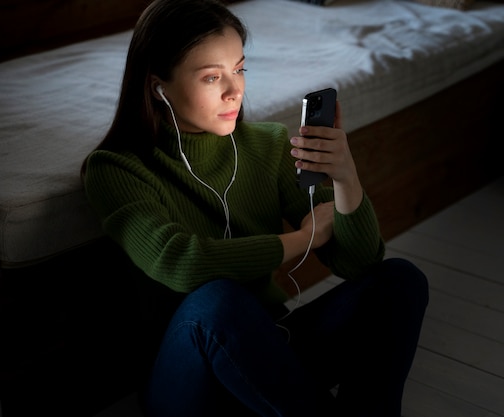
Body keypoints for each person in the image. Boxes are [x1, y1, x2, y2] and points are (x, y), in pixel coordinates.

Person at [81, 0, 429, 416]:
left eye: (239, 69)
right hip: (189, 377)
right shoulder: (116, 169)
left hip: (272, 349)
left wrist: (346, 178)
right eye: (212, 76)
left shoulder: (268, 145)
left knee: (398, 280)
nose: (235, 90)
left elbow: (358, 262)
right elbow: (181, 262)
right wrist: (303, 238)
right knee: (217, 301)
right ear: (159, 87)